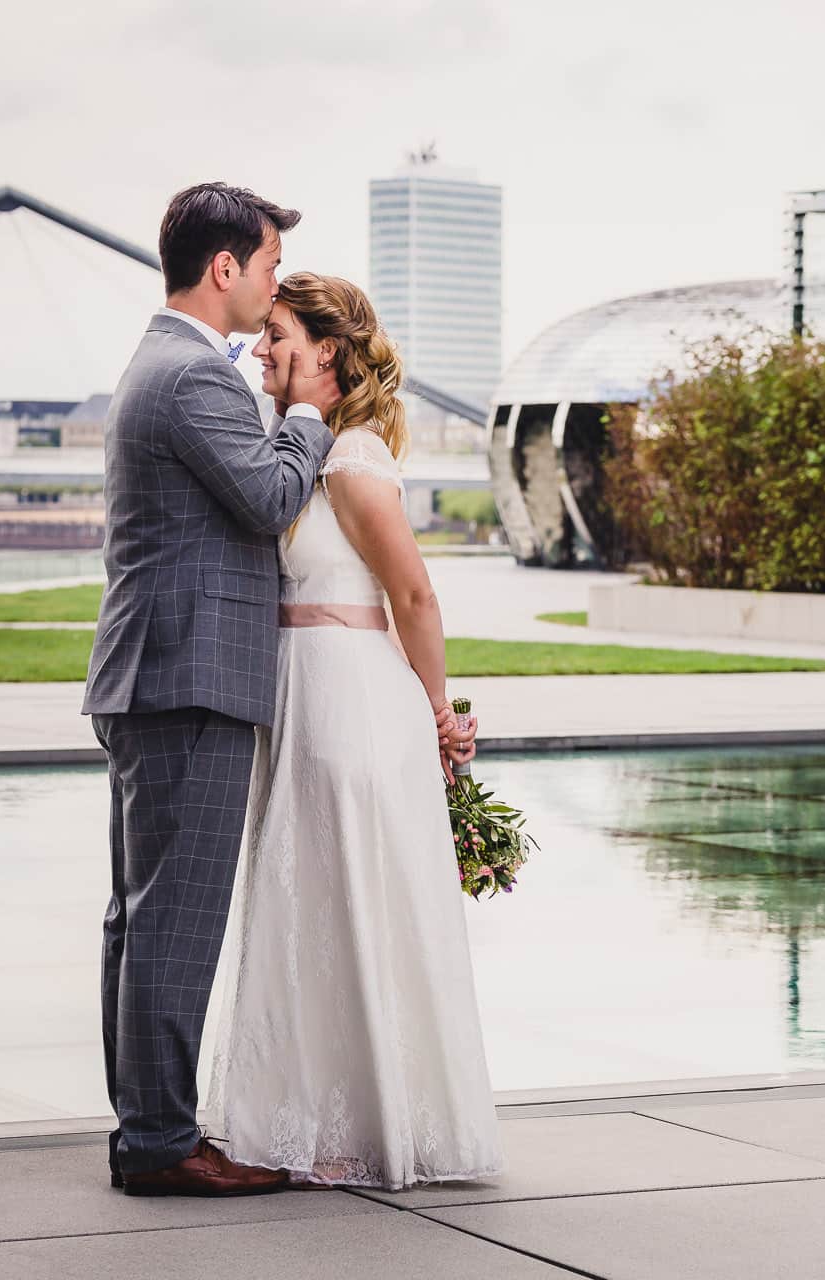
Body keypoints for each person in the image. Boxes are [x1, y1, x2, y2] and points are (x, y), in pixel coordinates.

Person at [84, 183, 431, 1196]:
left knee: (145, 917)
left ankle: (151, 1127)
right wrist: (315, 412)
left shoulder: (173, 367)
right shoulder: (192, 379)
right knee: (172, 920)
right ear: (225, 268)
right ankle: (159, 1141)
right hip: (187, 677)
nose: (275, 284)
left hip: (166, 672)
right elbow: (274, 493)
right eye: (271, 265)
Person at [203, 271, 504, 1190]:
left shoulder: (351, 461)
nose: (261, 346)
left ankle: (373, 1123)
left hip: (347, 698)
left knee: (350, 899)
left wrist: (439, 713)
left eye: (280, 335)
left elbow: (413, 594)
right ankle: (313, 1114)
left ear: (327, 351)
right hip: (299, 695)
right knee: (308, 903)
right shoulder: (300, 448)